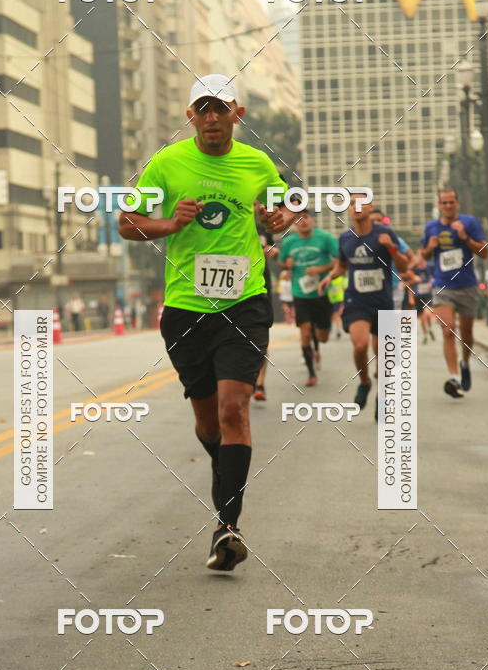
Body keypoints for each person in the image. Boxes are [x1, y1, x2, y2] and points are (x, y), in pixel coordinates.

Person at [119, 73, 298, 571]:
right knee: (207, 422)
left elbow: (283, 207)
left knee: (233, 409)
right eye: (204, 109)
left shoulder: (256, 163)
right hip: (186, 312)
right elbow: (125, 222)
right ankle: (225, 473)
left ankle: (228, 527)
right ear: (190, 116)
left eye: (221, 108)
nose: (213, 118)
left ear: (237, 113)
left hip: (245, 304)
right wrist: (169, 224)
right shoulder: (167, 163)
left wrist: (279, 218)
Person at [319, 195, 408, 414]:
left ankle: (382, 395)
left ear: (371, 207)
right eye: (351, 204)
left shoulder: (384, 234)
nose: (356, 207)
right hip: (356, 301)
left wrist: (393, 249)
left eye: (361, 203)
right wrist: (330, 276)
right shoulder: (345, 238)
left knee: (383, 355)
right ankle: (365, 382)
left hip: (383, 301)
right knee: (360, 346)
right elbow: (341, 266)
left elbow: (404, 266)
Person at [421, 189, 487, 398]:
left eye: (451, 202)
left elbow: (484, 252)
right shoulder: (431, 227)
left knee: (466, 335)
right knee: (448, 330)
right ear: (439, 205)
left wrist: (465, 237)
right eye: (444, 203)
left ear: (457, 203)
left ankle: (465, 362)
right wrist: (429, 248)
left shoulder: (469, 223)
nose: (448, 206)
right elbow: (423, 255)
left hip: (467, 285)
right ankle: (453, 377)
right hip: (442, 287)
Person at [278, 208, 338, 386]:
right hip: (300, 293)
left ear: (312, 220)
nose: (302, 222)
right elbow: (282, 261)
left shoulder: (325, 238)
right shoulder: (289, 242)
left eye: (305, 218)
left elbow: (339, 260)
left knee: (323, 336)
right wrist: (286, 264)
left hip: (321, 293)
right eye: (298, 219)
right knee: (304, 332)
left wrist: (320, 269)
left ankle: (317, 344)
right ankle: (312, 374)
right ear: (294, 223)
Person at [253, 221, 280, 402]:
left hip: (259, 285)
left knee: (259, 336)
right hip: (228, 289)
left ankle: (259, 383)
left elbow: (274, 252)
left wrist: (273, 252)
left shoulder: (263, 227)